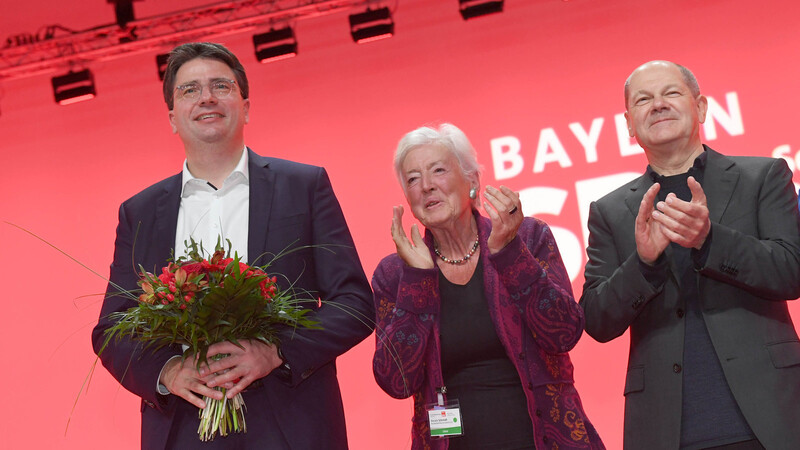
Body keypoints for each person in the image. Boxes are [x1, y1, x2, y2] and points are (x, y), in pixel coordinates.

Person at [91, 42, 374, 449]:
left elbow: (354, 303)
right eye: (189, 90)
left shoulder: (304, 186)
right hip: (184, 425)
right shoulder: (140, 212)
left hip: (291, 421)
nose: (206, 97)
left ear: (246, 106)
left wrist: (275, 350)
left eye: (220, 86)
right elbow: (112, 328)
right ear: (172, 117)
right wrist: (169, 370)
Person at [580, 60, 800, 449]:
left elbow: (791, 271)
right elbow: (597, 320)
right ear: (629, 125)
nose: (658, 104)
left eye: (672, 93)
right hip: (667, 429)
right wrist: (643, 264)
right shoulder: (610, 210)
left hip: (772, 415)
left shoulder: (763, 176)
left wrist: (710, 240)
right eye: (644, 99)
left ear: (700, 107)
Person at [372, 123, 604, 449]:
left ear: (472, 180)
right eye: (412, 179)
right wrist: (418, 282)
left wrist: (510, 254)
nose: (425, 186)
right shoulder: (396, 273)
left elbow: (564, 331)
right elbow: (395, 381)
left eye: (438, 171)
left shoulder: (526, 236)